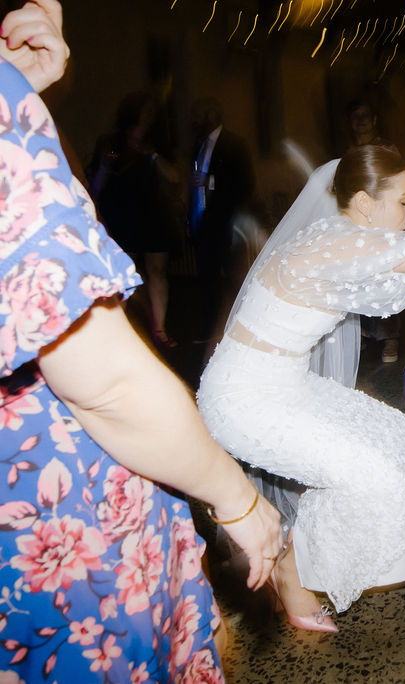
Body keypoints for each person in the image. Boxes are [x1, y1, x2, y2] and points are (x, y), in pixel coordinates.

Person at [0, 2, 283, 681]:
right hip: (59, 531)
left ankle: (162, 324)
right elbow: (106, 382)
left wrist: (18, 88)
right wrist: (238, 498)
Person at [197, 146, 405, 629]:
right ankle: (293, 569)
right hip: (244, 400)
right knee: (372, 477)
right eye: (402, 201)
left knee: (402, 445)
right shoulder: (338, 244)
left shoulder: (351, 234)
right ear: (364, 202)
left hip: (287, 384)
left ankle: (296, 551)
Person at [88, 91, 181, 350]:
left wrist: (153, 155)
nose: (149, 116)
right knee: (123, 271)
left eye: (153, 112)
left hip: (154, 213)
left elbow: (174, 177)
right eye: (145, 110)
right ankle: (117, 331)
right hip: (123, 213)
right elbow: (97, 184)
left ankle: (159, 330)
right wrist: (105, 167)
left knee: (157, 271)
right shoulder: (111, 142)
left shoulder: (158, 143)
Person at [189, 97, 254, 343]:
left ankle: (243, 329)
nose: (194, 120)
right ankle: (211, 332)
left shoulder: (235, 144)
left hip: (228, 225)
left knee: (236, 279)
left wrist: (210, 181)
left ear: (212, 115)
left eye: (198, 114)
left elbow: (245, 183)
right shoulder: (198, 145)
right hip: (204, 224)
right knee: (207, 281)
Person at [345, 98, 401, 362]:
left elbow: (396, 181)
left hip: (381, 218)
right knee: (359, 276)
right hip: (357, 221)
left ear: (374, 119)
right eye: (355, 116)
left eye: (365, 115)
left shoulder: (387, 148)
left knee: (385, 276)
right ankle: (364, 334)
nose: (361, 121)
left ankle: (391, 337)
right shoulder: (348, 151)